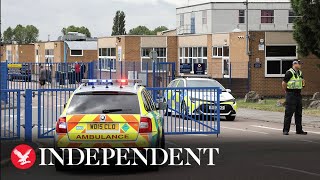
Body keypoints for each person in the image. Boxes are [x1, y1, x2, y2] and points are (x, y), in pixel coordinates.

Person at [282, 60, 307, 135]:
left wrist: (303, 84)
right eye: (299, 64)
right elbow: (284, 83)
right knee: (289, 113)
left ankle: (299, 130)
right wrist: (286, 91)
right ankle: (285, 130)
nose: (300, 65)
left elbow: (302, 81)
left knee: (299, 113)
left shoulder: (300, 72)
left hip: (298, 94)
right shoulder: (289, 72)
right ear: (294, 64)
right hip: (290, 94)